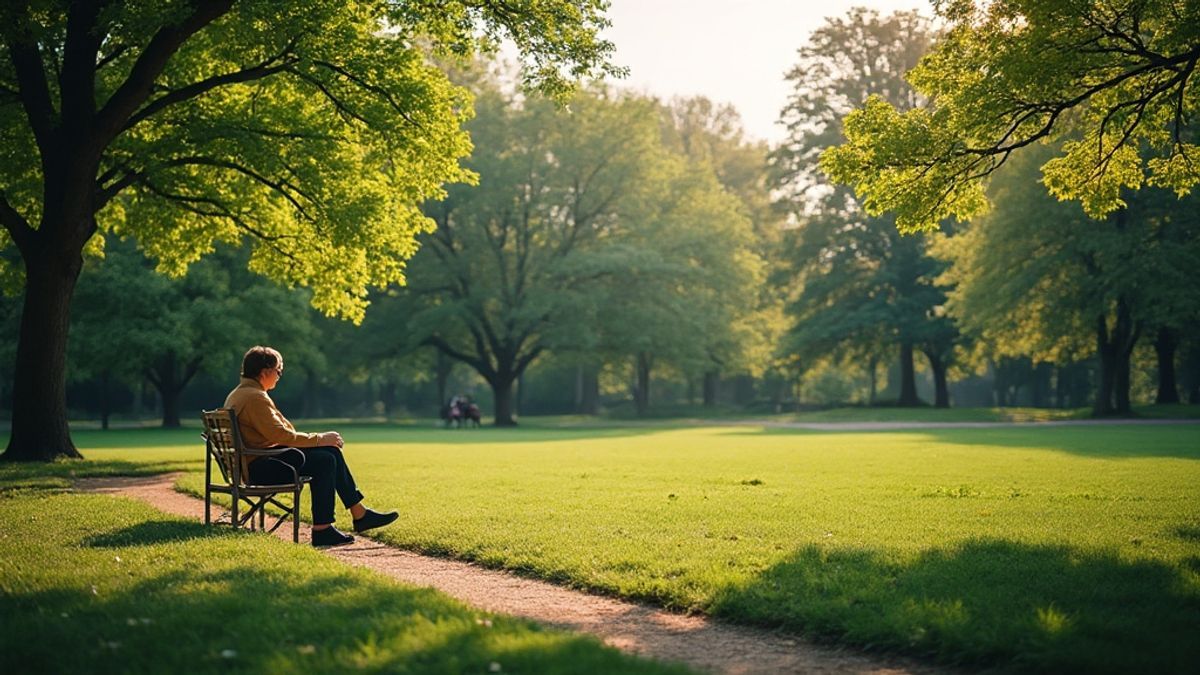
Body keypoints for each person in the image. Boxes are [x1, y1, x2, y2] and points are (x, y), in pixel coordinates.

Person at [224, 346, 398, 547]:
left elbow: (276, 434)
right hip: (260, 469)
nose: (279, 376)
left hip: (254, 462)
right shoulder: (255, 397)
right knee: (325, 460)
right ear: (265, 372)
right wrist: (319, 438)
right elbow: (281, 435)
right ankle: (326, 528)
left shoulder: (241, 393)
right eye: (278, 371)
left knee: (330, 452)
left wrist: (321, 442)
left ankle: (358, 514)